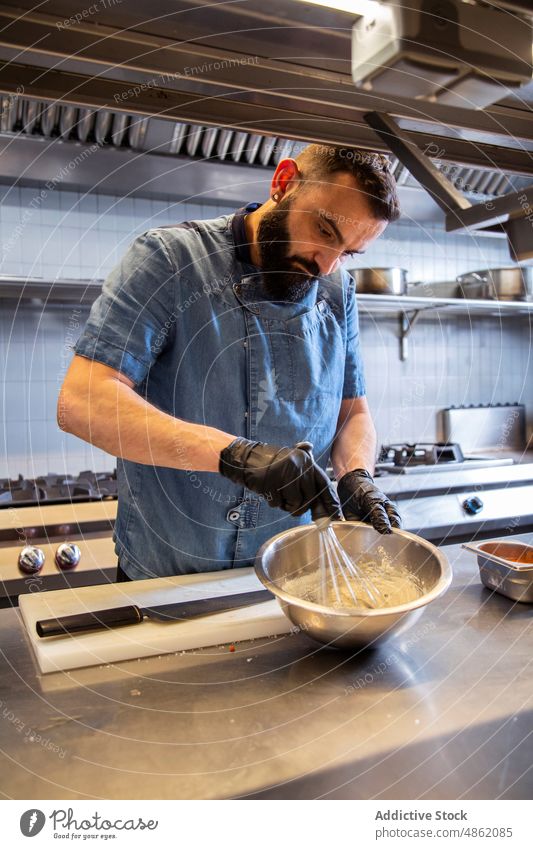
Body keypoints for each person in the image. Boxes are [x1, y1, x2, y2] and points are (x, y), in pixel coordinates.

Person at [58, 143, 401, 581]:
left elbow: (354, 412)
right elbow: (81, 402)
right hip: (168, 575)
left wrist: (357, 474)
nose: (326, 265)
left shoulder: (338, 291)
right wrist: (235, 456)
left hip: (291, 576)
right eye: (325, 231)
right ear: (283, 182)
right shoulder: (171, 260)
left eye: (349, 252)